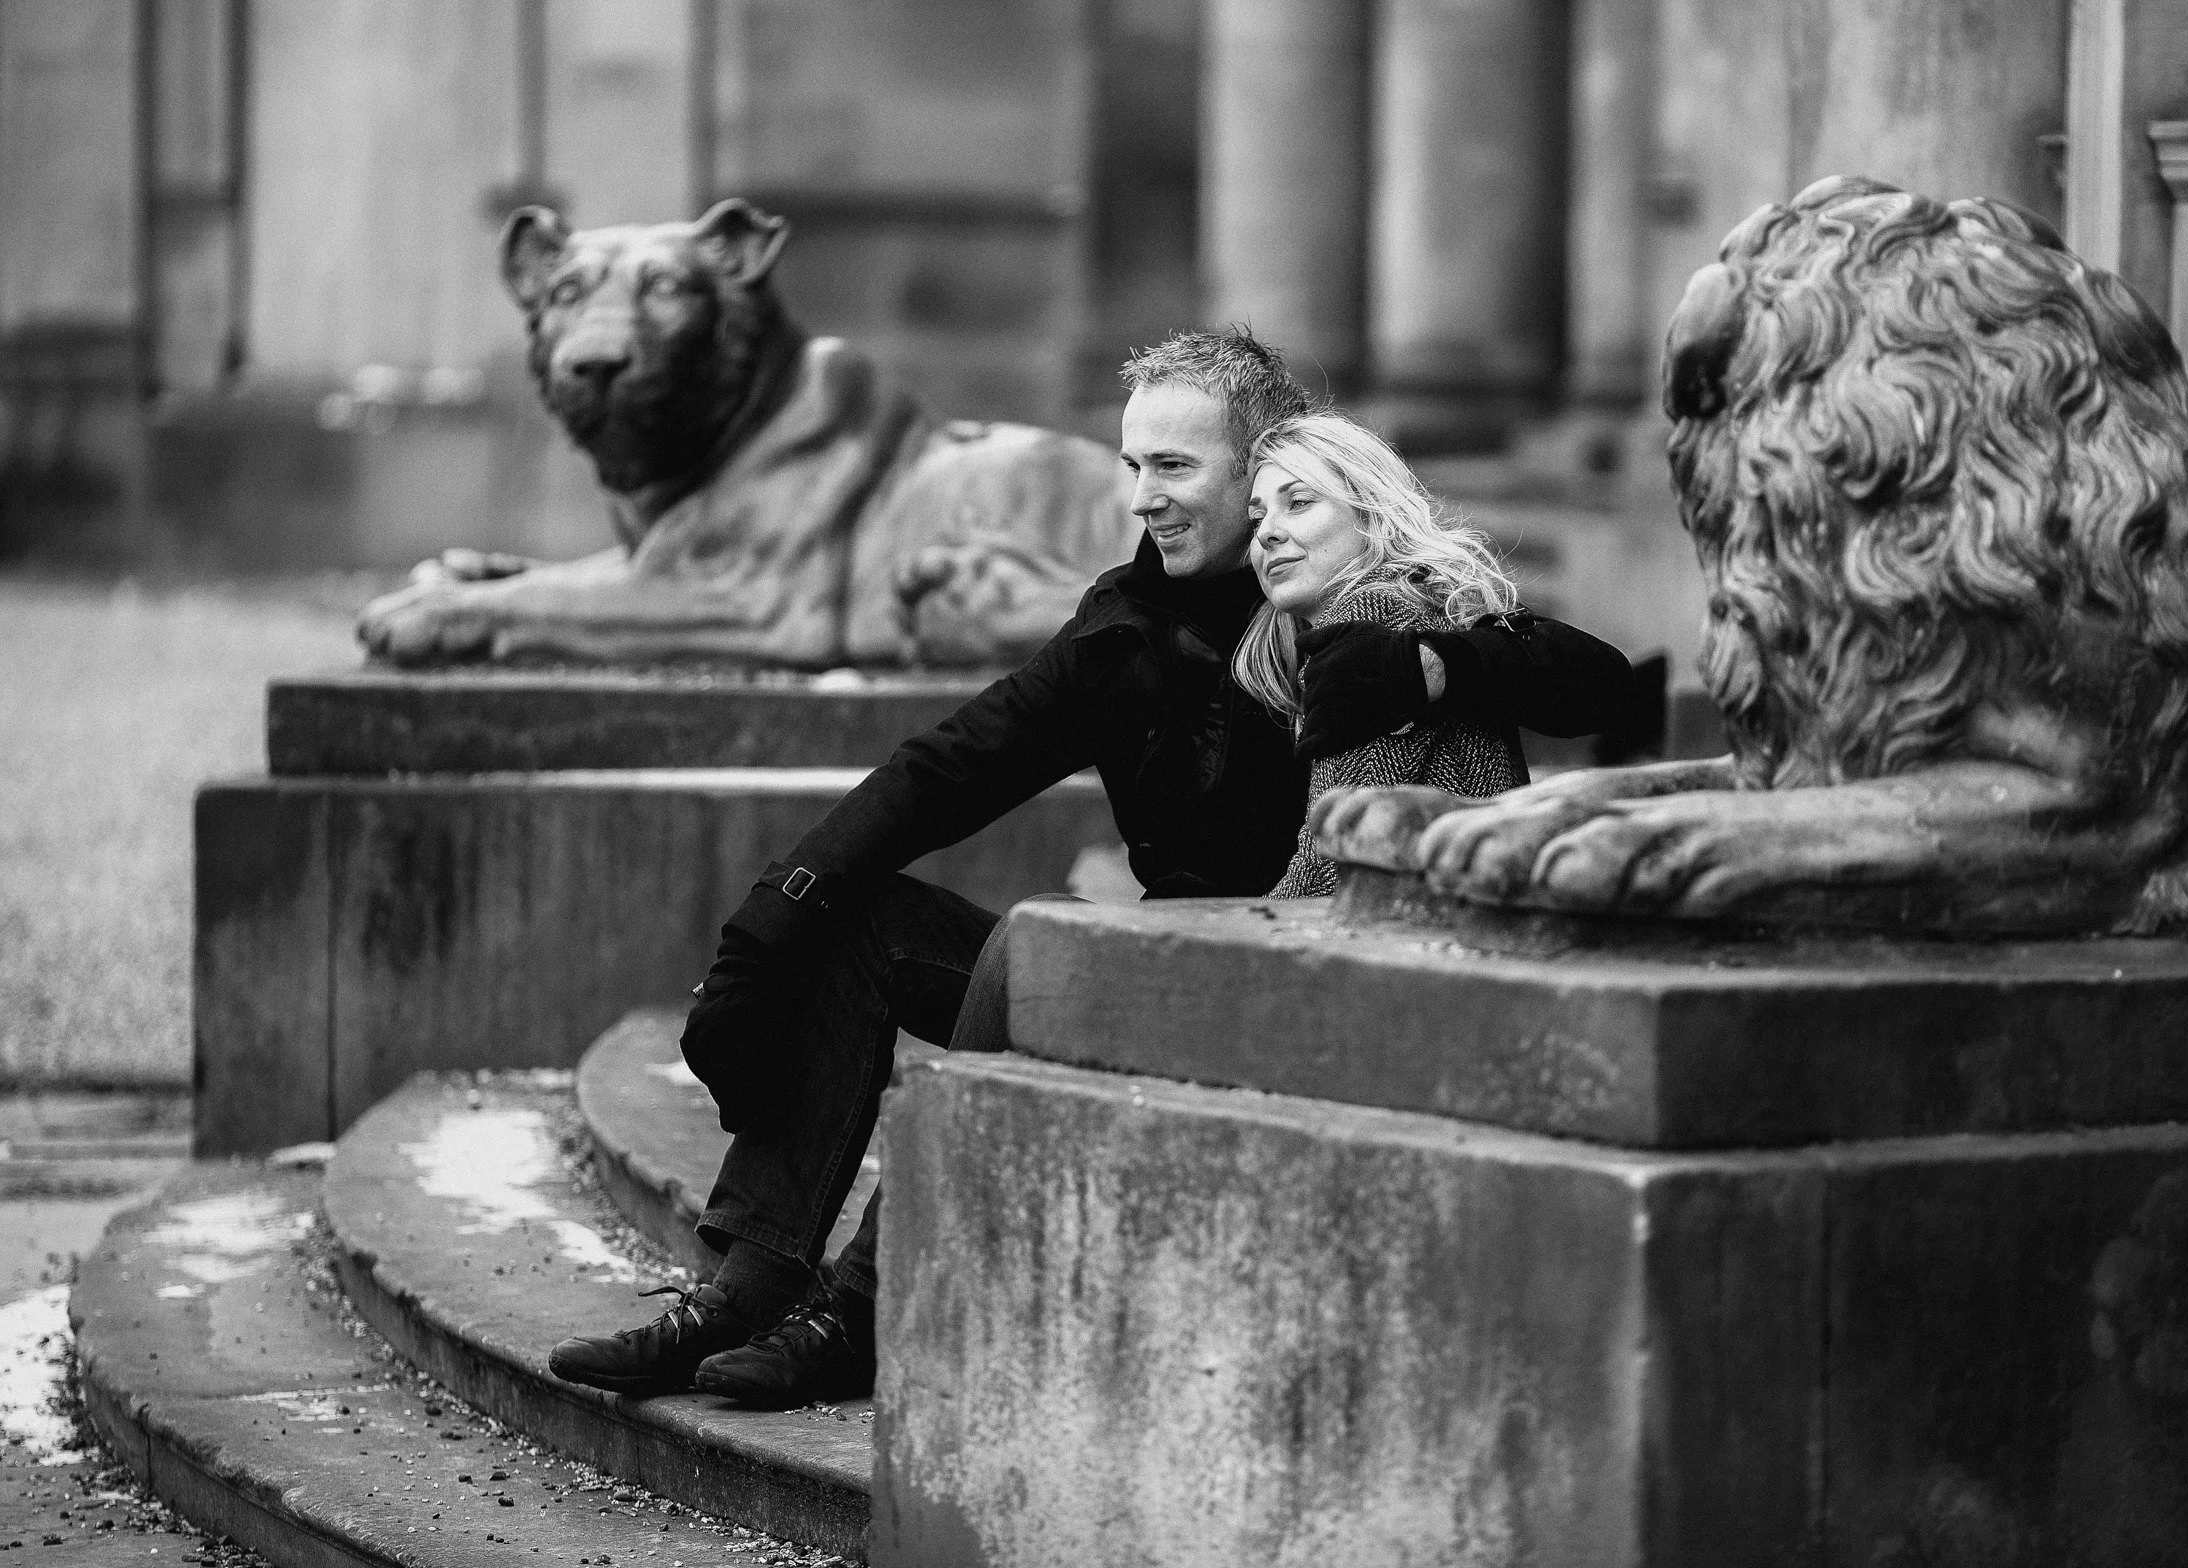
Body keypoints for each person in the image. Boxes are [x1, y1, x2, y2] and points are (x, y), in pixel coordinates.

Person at [545, 328, 1654, 1410]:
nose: (1142, 497)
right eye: (1132, 465)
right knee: (866, 921)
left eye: (1174, 465)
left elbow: (1600, 683)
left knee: (1031, 953)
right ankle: (750, 1283)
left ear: (1261, 461)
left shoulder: (1335, 600)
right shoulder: (1125, 627)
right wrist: (781, 904)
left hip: (1276, 993)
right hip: (1161, 971)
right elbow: (952, 764)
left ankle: (865, 1311)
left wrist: (1436, 663)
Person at [1235, 413, 1530, 896]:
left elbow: (1334, 860)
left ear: (1370, 516)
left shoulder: (1373, 616)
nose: (1267, 531)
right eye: (1257, 516)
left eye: (1299, 502)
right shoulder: (1406, 605)